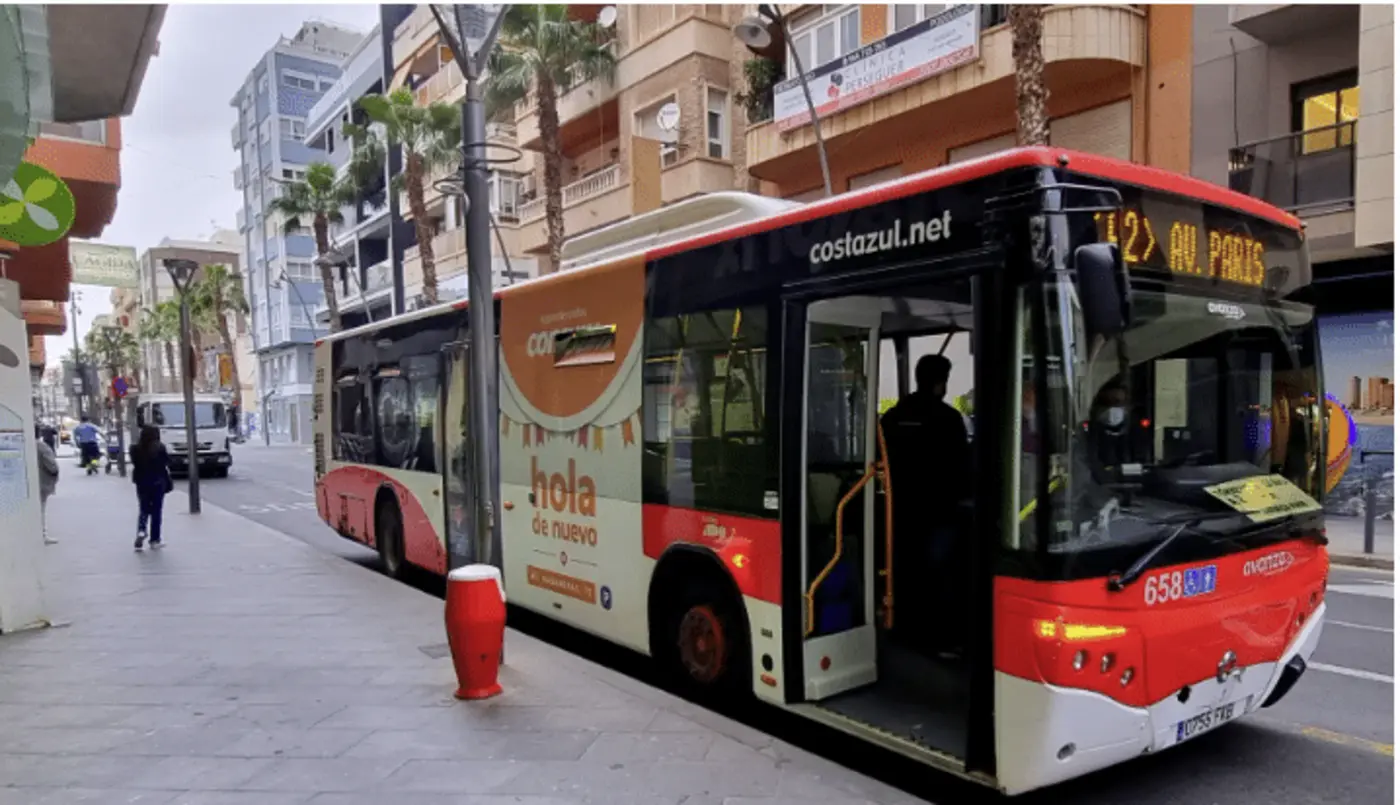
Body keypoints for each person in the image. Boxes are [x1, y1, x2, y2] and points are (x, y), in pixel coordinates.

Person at [880, 354, 973, 655]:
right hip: (940, 511)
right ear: (938, 383)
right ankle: (943, 638)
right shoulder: (948, 419)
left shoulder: (893, 417)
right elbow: (963, 467)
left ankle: (905, 631)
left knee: (907, 571)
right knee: (944, 573)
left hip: (900, 511)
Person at [129, 425, 172, 550]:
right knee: (156, 511)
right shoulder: (159, 447)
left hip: (141, 482)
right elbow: (167, 462)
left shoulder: (135, 448)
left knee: (143, 508)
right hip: (158, 482)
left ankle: (141, 530)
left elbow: (134, 463)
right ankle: (155, 540)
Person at [35, 425, 59, 545]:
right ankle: (42, 534)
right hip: (42, 482)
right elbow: (51, 464)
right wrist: (55, 474)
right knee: (41, 508)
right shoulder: (41, 446)